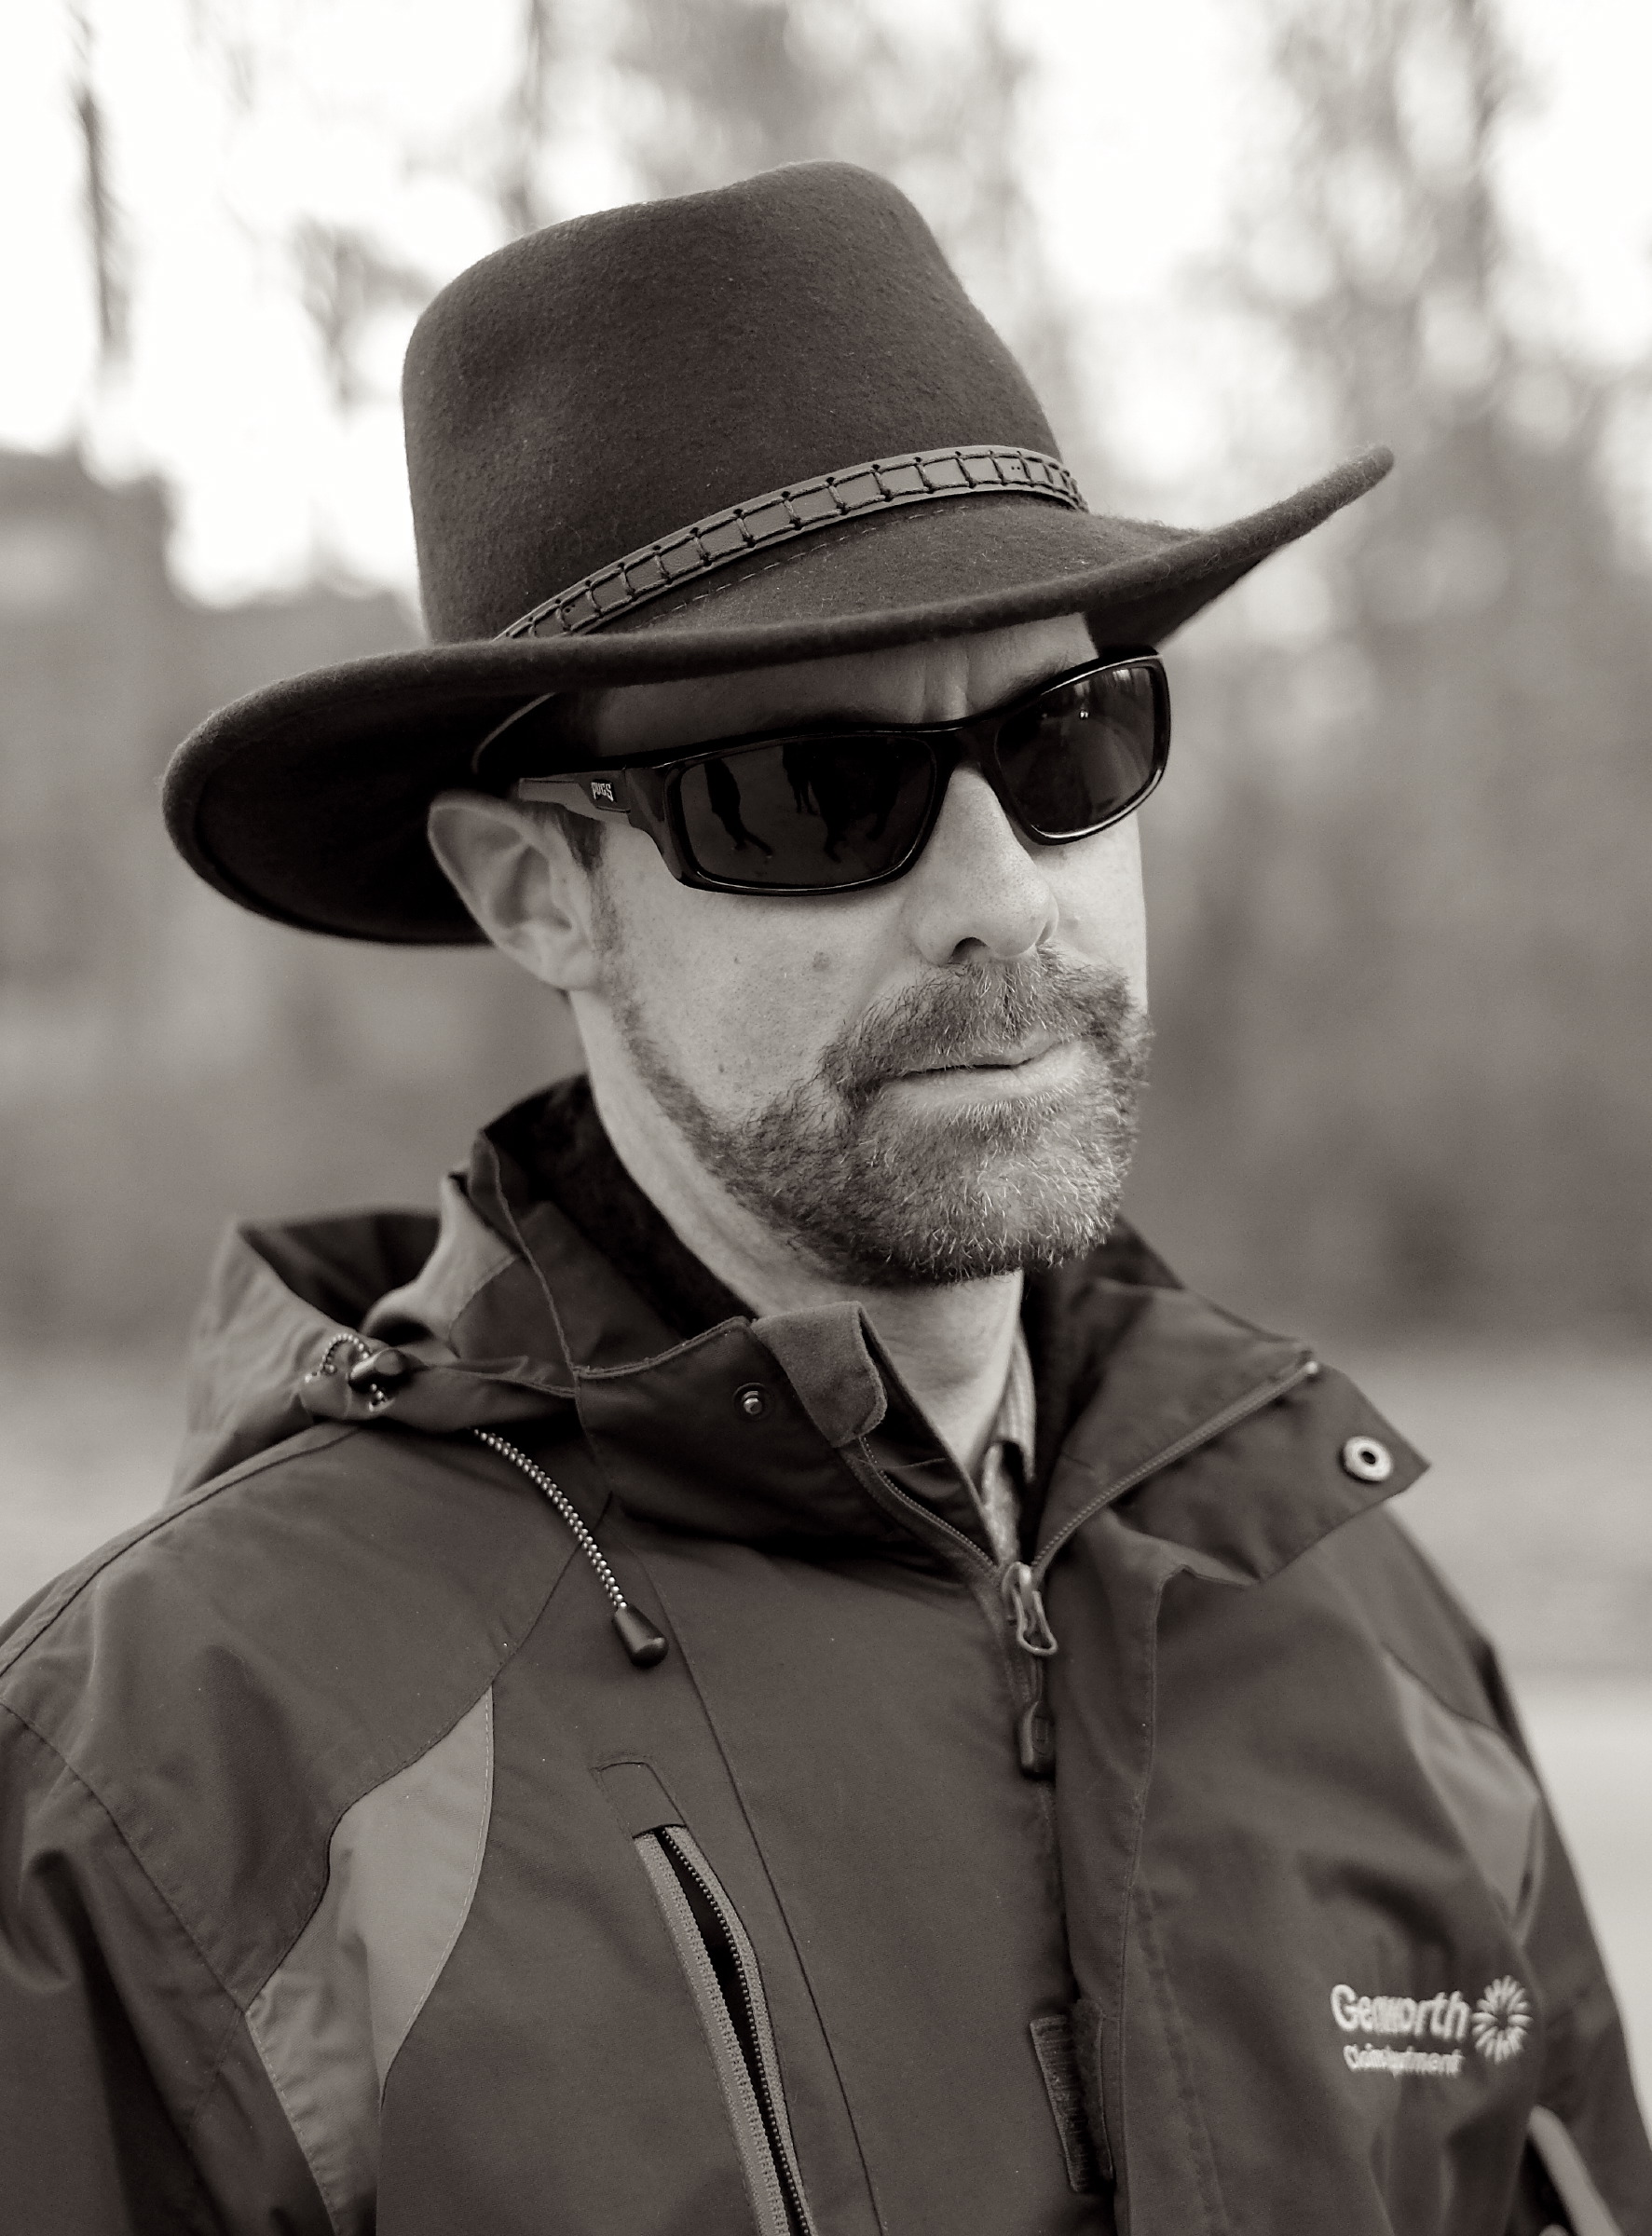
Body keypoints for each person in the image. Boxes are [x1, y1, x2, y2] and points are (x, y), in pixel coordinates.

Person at [0, 162, 1644, 2236]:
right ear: (536, 891)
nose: (997, 898)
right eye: (812, 794)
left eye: (1066, 743)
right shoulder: (172, 1783)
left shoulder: (1350, 1613)